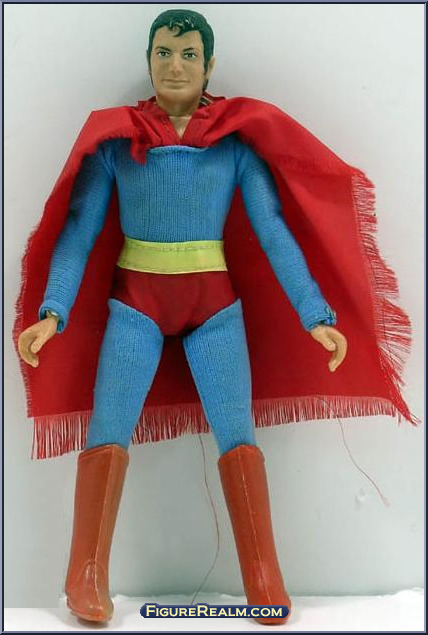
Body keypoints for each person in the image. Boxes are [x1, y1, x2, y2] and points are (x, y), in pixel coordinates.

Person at [16, 8, 414, 627]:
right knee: (108, 430)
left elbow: (273, 232)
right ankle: (85, 575)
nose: (175, 66)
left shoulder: (234, 146)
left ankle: (263, 574)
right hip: (134, 305)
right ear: (148, 61)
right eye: (163, 53)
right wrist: (53, 310)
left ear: (209, 65)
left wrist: (315, 313)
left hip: (216, 310)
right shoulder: (118, 144)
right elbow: (78, 231)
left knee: (238, 435)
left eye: (188, 55)